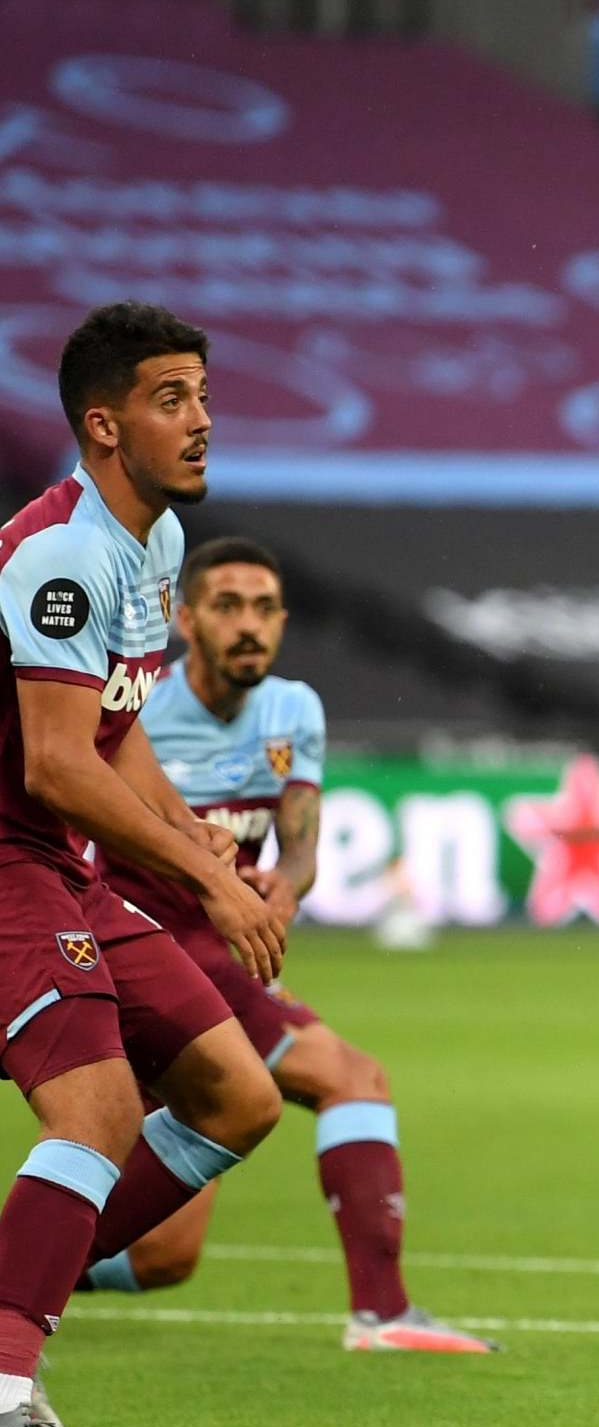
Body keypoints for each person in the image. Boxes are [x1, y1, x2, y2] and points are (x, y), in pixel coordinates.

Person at [70, 537, 495, 1362]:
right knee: (353, 1075)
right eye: (228, 606)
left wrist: (287, 887)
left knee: (163, 1256)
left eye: (265, 608)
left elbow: (299, 840)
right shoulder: (138, 709)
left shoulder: (293, 709)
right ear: (184, 619)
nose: (249, 626)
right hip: (144, 949)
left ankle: (25, 1276)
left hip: (217, 961)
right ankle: (383, 1311)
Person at [0, 303, 290, 1427]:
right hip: (8, 861)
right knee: (100, 1112)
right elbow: (56, 761)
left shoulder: (155, 543)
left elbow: (117, 741)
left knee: (238, 1096)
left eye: (206, 396)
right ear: (104, 424)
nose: (203, 421)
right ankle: (6, 1385)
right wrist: (203, 885)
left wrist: (209, 858)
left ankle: (14, 1294)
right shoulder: (58, 551)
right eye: (174, 399)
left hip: (65, 859)